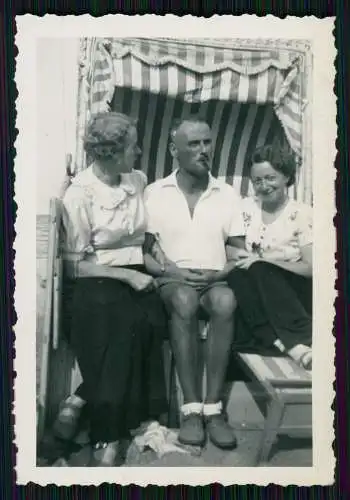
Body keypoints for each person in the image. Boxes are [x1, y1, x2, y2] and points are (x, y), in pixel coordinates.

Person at [53, 112, 168, 466]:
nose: (139, 151)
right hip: (94, 278)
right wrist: (127, 277)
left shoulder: (136, 179)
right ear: (111, 153)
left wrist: (158, 262)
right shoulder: (80, 194)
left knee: (152, 322)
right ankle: (107, 435)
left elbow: (142, 236)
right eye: (133, 146)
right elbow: (74, 265)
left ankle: (81, 399)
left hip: (136, 272)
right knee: (119, 329)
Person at [143, 116, 246, 449]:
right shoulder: (154, 193)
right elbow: (144, 253)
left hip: (214, 279)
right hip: (173, 281)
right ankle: (190, 409)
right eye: (194, 144)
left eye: (207, 142)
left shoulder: (227, 194)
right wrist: (169, 273)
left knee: (226, 301)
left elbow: (237, 251)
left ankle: (213, 409)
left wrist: (221, 273)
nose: (204, 150)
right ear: (175, 150)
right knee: (184, 300)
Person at [226, 144, 313, 370]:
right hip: (257, 293)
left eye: (270, 178)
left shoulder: (302, 214)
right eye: (257, 181)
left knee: (258, 269)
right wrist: (238, 253)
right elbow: (232, 249)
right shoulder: (246, 208)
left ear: (286, 176)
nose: (263, 186)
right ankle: (288, 344)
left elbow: (311, 268)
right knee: (238, 274)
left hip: (293, 294)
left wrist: (264, 262)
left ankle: (296, 337)